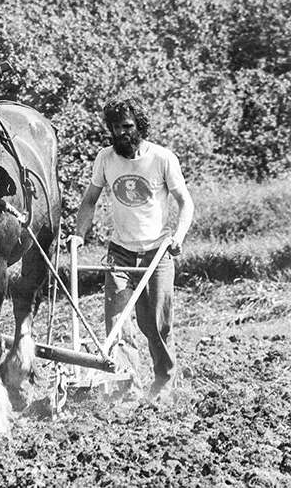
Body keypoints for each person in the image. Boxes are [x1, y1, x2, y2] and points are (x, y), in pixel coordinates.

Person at [70, 95, 194, 402]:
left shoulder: (162, 158)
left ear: (139, 124)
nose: (121, 133)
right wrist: (79, 235)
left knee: (157, 324)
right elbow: (89, 200)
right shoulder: (105, 158)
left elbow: (184, 202)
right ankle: (130, 390)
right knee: (118, 325)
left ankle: (163, 384)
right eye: (115, 127)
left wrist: (177, 236)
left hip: (157, 252)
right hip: (120, 253)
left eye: (127, 126)